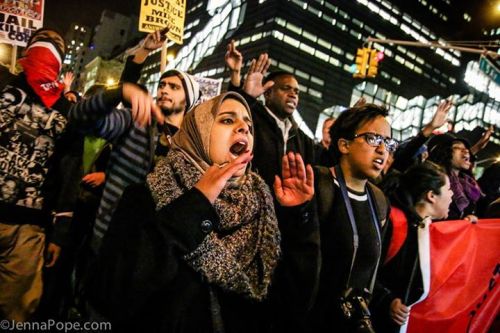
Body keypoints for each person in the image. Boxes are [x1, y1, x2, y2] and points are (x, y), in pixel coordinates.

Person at [86, 92, 319, 332]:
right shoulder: (145, 196)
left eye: (248, 126)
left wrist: (299, 217)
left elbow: (293, 305)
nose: (244, 129)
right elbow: (113, 294)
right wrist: (197, 202)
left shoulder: (263, 204)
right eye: (227, 120)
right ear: (198, 133)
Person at [86, 30, 201, 253]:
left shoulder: (191, 146)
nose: (164, 89)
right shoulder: (139, 123)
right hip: (112, 234)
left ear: (189, 99)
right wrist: (143, 52)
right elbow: (118, 99)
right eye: (162, 85)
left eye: (174, 87)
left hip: (153, 247)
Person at [309, 103, 397, 332]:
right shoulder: (316, 185)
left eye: (387, 142)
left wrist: (387, 300)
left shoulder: (379, 201)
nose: (382, 150)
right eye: (373, 139)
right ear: (344, 145)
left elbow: (367, 268)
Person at [371, 162, 453, 332]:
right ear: (431, 196)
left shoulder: (430, 228)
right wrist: (387, 301)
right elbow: (363, 271)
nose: (452, 195)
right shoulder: (395, 223)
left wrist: (469, 229)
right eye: (449, 189)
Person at [225, 41, 316, 191]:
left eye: (296, 92)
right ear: (268, 93)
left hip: (284, 209)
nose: (293, 94)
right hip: (246, 200)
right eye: (286, 88)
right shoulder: (252, 119)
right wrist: (245, 93)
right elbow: (229, 119)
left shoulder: (301, 138)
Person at [427, 133, 482, 221]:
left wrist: (468, 218)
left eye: (466, 148)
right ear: (444, 152)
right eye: (457, 147)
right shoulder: (433, 180)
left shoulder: (468, 183)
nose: (466, 151)